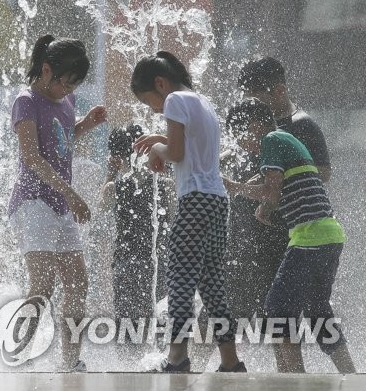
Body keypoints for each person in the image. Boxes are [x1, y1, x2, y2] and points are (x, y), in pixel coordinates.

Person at [130, 51, 245, 373]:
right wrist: (163, 139)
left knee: (180, 278)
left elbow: (177, 153)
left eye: (148, 101)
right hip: (217, 200)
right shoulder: (202, 102)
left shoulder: (174, 100)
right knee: (212, 284)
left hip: (194, 200)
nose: (153, 109)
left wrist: (157, 148)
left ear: (160, 83)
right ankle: (231, 361)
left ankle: (177, 357)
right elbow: (195, 147)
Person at [224, 99, 355, 373]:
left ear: (255, 126)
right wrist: (265, 204)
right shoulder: (285, 140)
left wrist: (235, 187)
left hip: (309, 237)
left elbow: (271, 193)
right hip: (328, 234)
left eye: (240, 135)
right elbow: (278, 188)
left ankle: (293, 379)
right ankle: (350, 374)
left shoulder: (271, 139)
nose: (241, 144)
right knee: (318, 310)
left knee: (277, 307)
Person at [9, 35, 106, 372]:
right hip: (34, 203)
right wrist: (72, 194)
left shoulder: (67, 99)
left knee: (78, 282)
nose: (67, 90)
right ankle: (16, 352)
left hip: (61, 204)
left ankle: (70, 361)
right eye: (64, 82)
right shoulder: (26, 101)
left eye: (74, 85)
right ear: (46, 70)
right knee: (43, 286)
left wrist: (85, 125)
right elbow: (32, 157)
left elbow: (61, 140)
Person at [227, 56, 330, 333]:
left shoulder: (301, 125)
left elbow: (323, 172)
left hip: (278, 239)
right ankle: (187, 358)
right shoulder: (258, 125)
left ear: (280, 90)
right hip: (246, 237)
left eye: (256, 99)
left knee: (277, 321)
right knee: (222, 313)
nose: (250, 107)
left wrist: (271, 179)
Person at [99, 124, 171, 361]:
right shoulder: (163, 184)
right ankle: (163, 363)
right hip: (159, 262)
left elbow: (101, 206)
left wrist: (110, 174)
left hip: (127, 262)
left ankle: (127, 369)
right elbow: (172, 217)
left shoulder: (114, 187)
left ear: (117, 158)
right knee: (160, 319)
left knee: (128, 326)